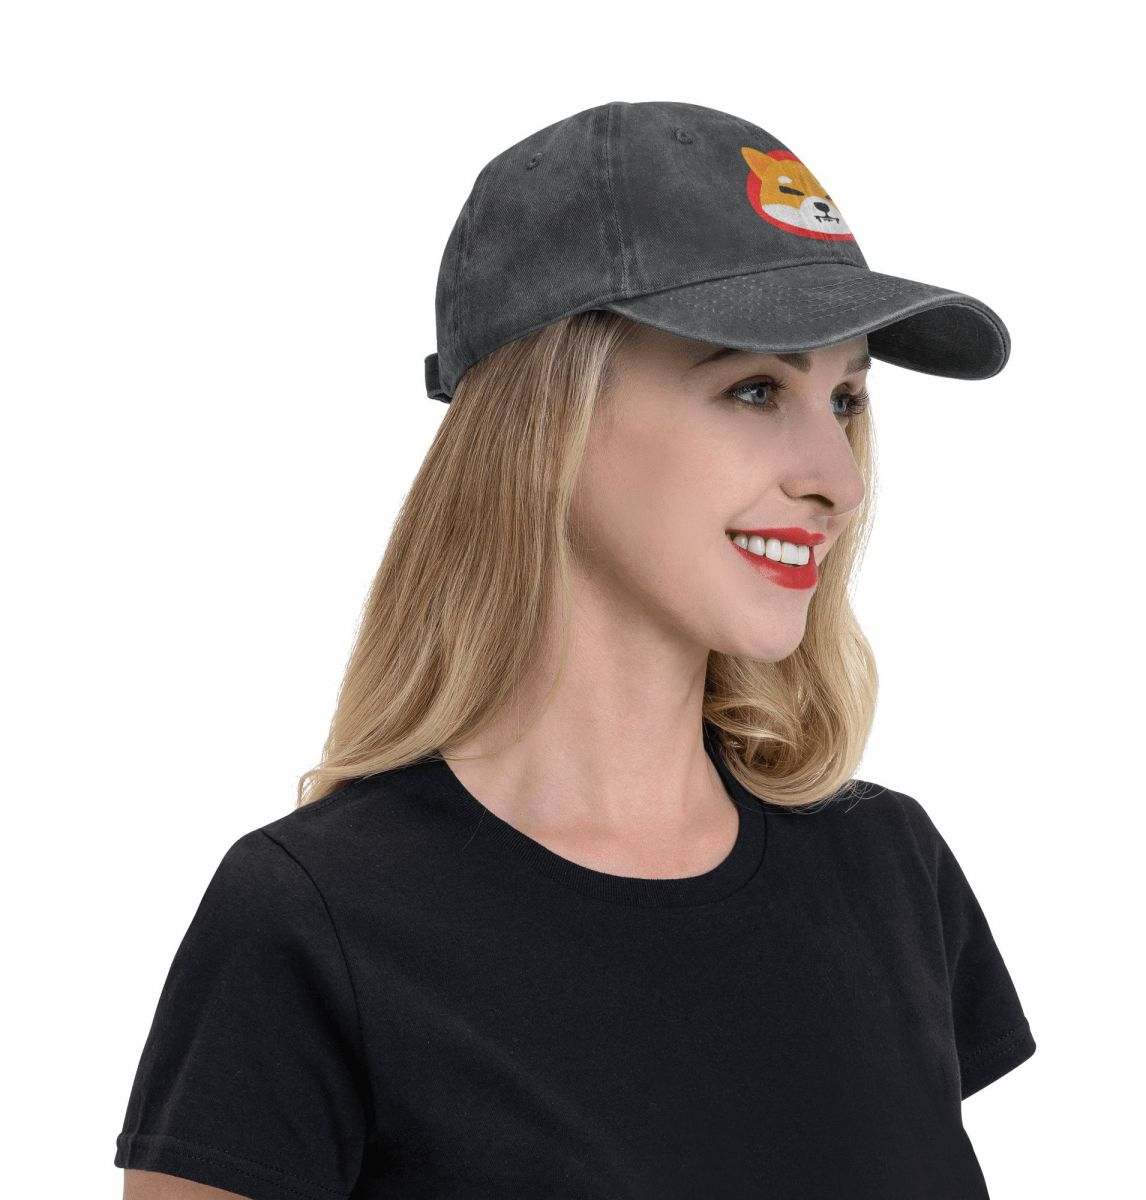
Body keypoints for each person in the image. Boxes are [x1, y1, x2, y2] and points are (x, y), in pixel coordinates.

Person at [115, 99, 1036, 1200]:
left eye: (844, 399)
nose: (837, 479)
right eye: (753, 389)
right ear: (548, 419)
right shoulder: (316, 922)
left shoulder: (887, 872)